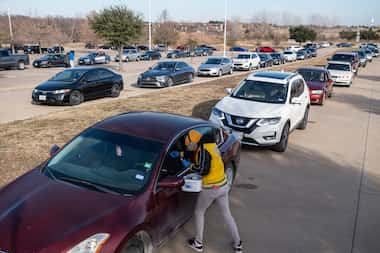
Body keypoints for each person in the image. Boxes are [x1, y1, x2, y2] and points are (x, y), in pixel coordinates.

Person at [184, 129, 243, 253]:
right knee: (227, 215)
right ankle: (238, 244)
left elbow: (203, 170)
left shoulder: (203, 149)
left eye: (189, 144)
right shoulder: (212, 146)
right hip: (223, 184)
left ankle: (198, 243)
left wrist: (189, 166)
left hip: (211, 188)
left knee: (199, 212)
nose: (189, 147)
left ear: (193, 142)